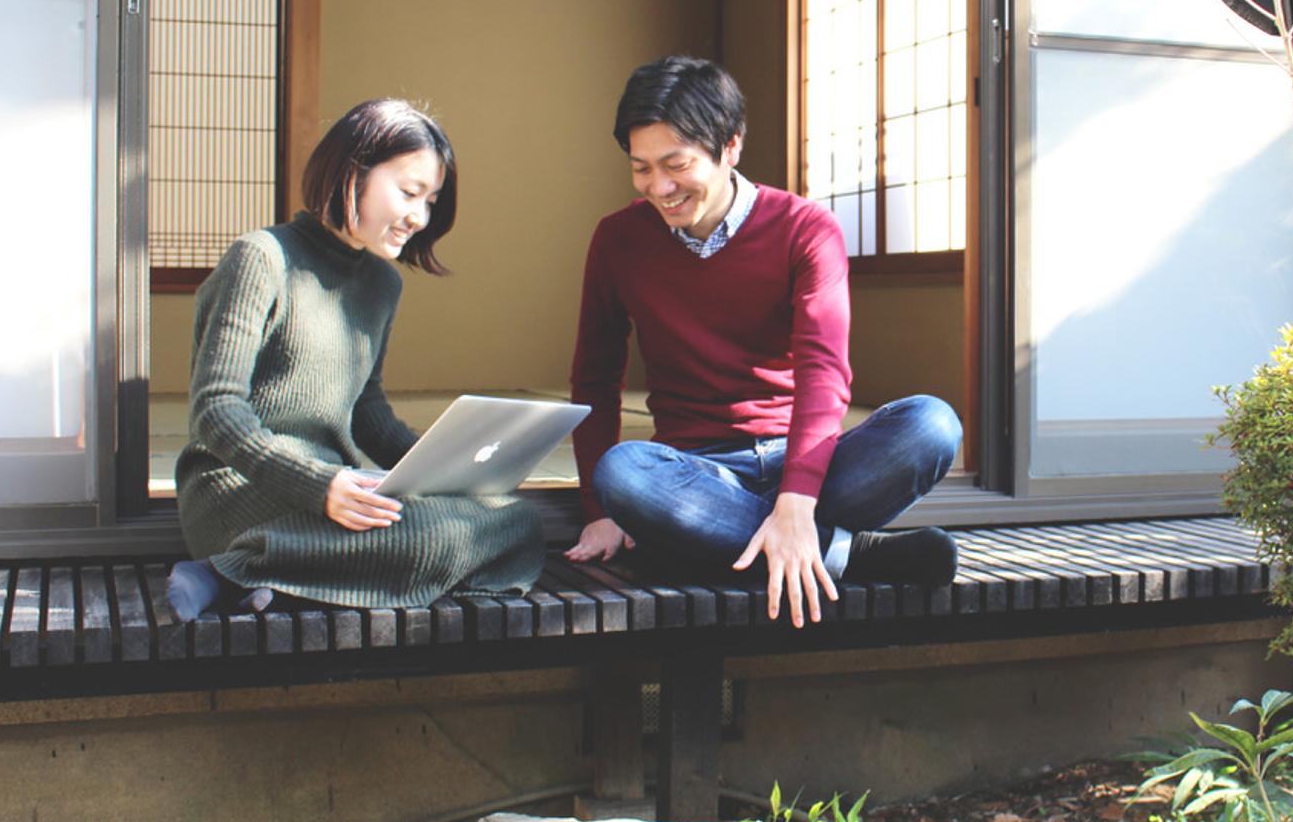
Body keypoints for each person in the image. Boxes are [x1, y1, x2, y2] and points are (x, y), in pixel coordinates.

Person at [564, 55, 962, 628]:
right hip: (697, 472)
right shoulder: (618, 240)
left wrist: (796, 500)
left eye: (676, 165)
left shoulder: (805, 229)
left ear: (731, 146)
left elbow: (823, 373)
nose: (659, 187)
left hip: (806, 460)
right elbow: (595, 378)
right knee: (622, 474)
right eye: (641, 168)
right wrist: (598, 510)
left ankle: (722, 541)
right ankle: (849, 554)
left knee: (932, 425)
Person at [166, 99, 543, 622]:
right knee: (426, 537)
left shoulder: (381, 283)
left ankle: (263, 582)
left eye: (430, 200)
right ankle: (233, 567)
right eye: (408, 193)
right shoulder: (261, 258)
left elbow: (367, 412)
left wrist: (447, 468)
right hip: (243, 485)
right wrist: (317, 484)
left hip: (337, 484)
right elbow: (216, 410)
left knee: (517, 519)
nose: (419, 217)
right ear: (352, 171)